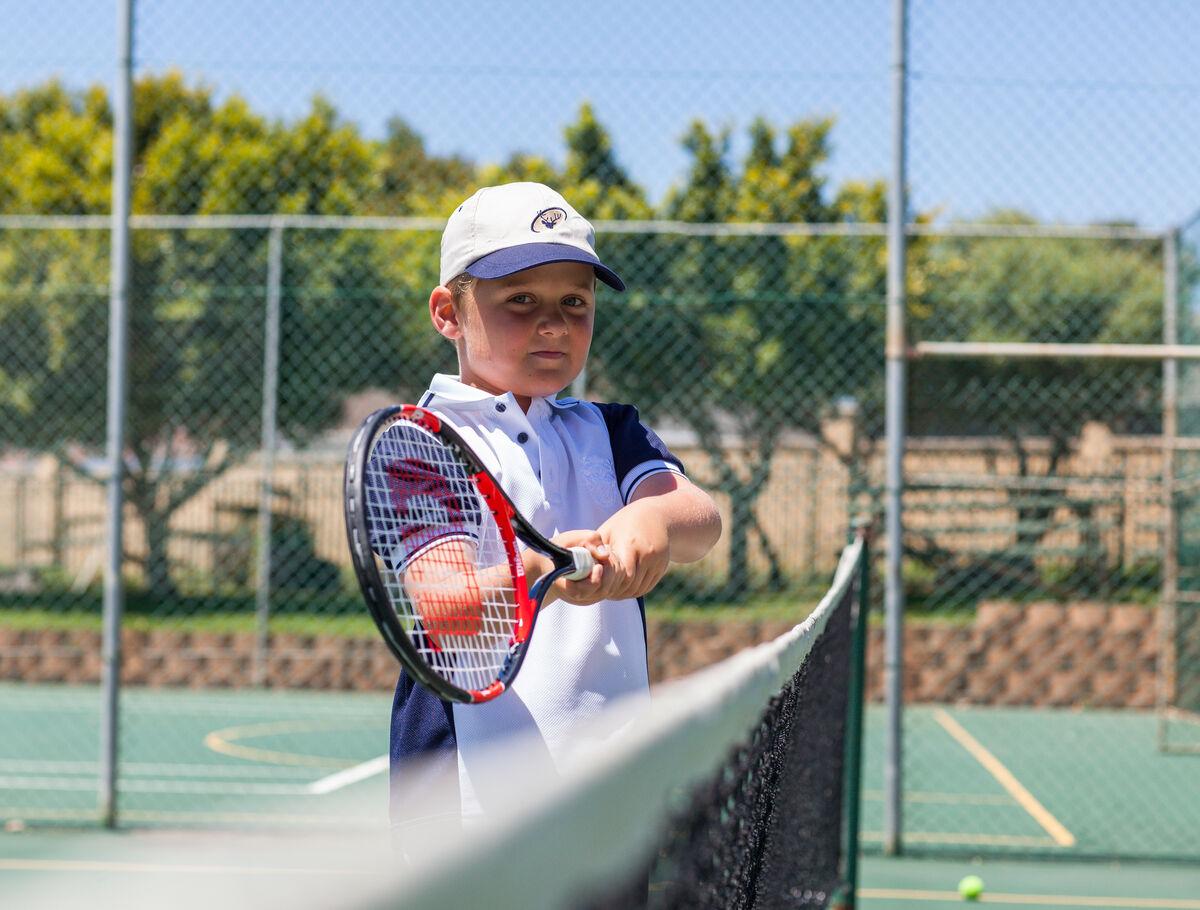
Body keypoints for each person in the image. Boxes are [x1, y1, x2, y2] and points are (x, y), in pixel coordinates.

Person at [389, 181, 722, 840]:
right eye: (520, 301)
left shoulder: (611, 429)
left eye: (575, 301)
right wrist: (544, 571)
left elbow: (701, 521)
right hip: (470, 816)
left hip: (611, 796)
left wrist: (647, 522)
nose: (553, 323)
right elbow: (443, 605)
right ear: (448, 314)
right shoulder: (420, 443)